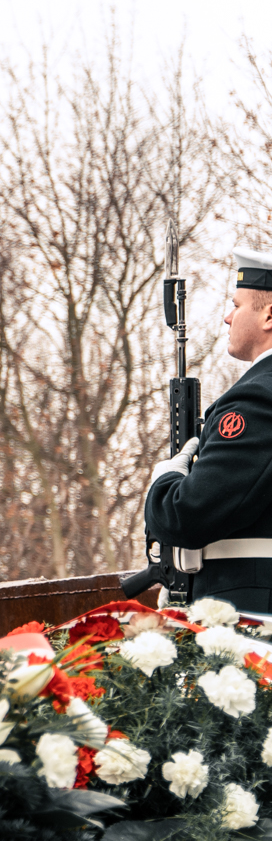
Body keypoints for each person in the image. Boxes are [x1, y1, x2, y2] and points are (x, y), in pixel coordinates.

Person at [148, 250, 272, 613]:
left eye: (237, 305)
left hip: (253, 622)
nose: (227, 317)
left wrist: (166, 482)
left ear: (269, 315)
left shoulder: (258, 399)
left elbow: (186, 515)